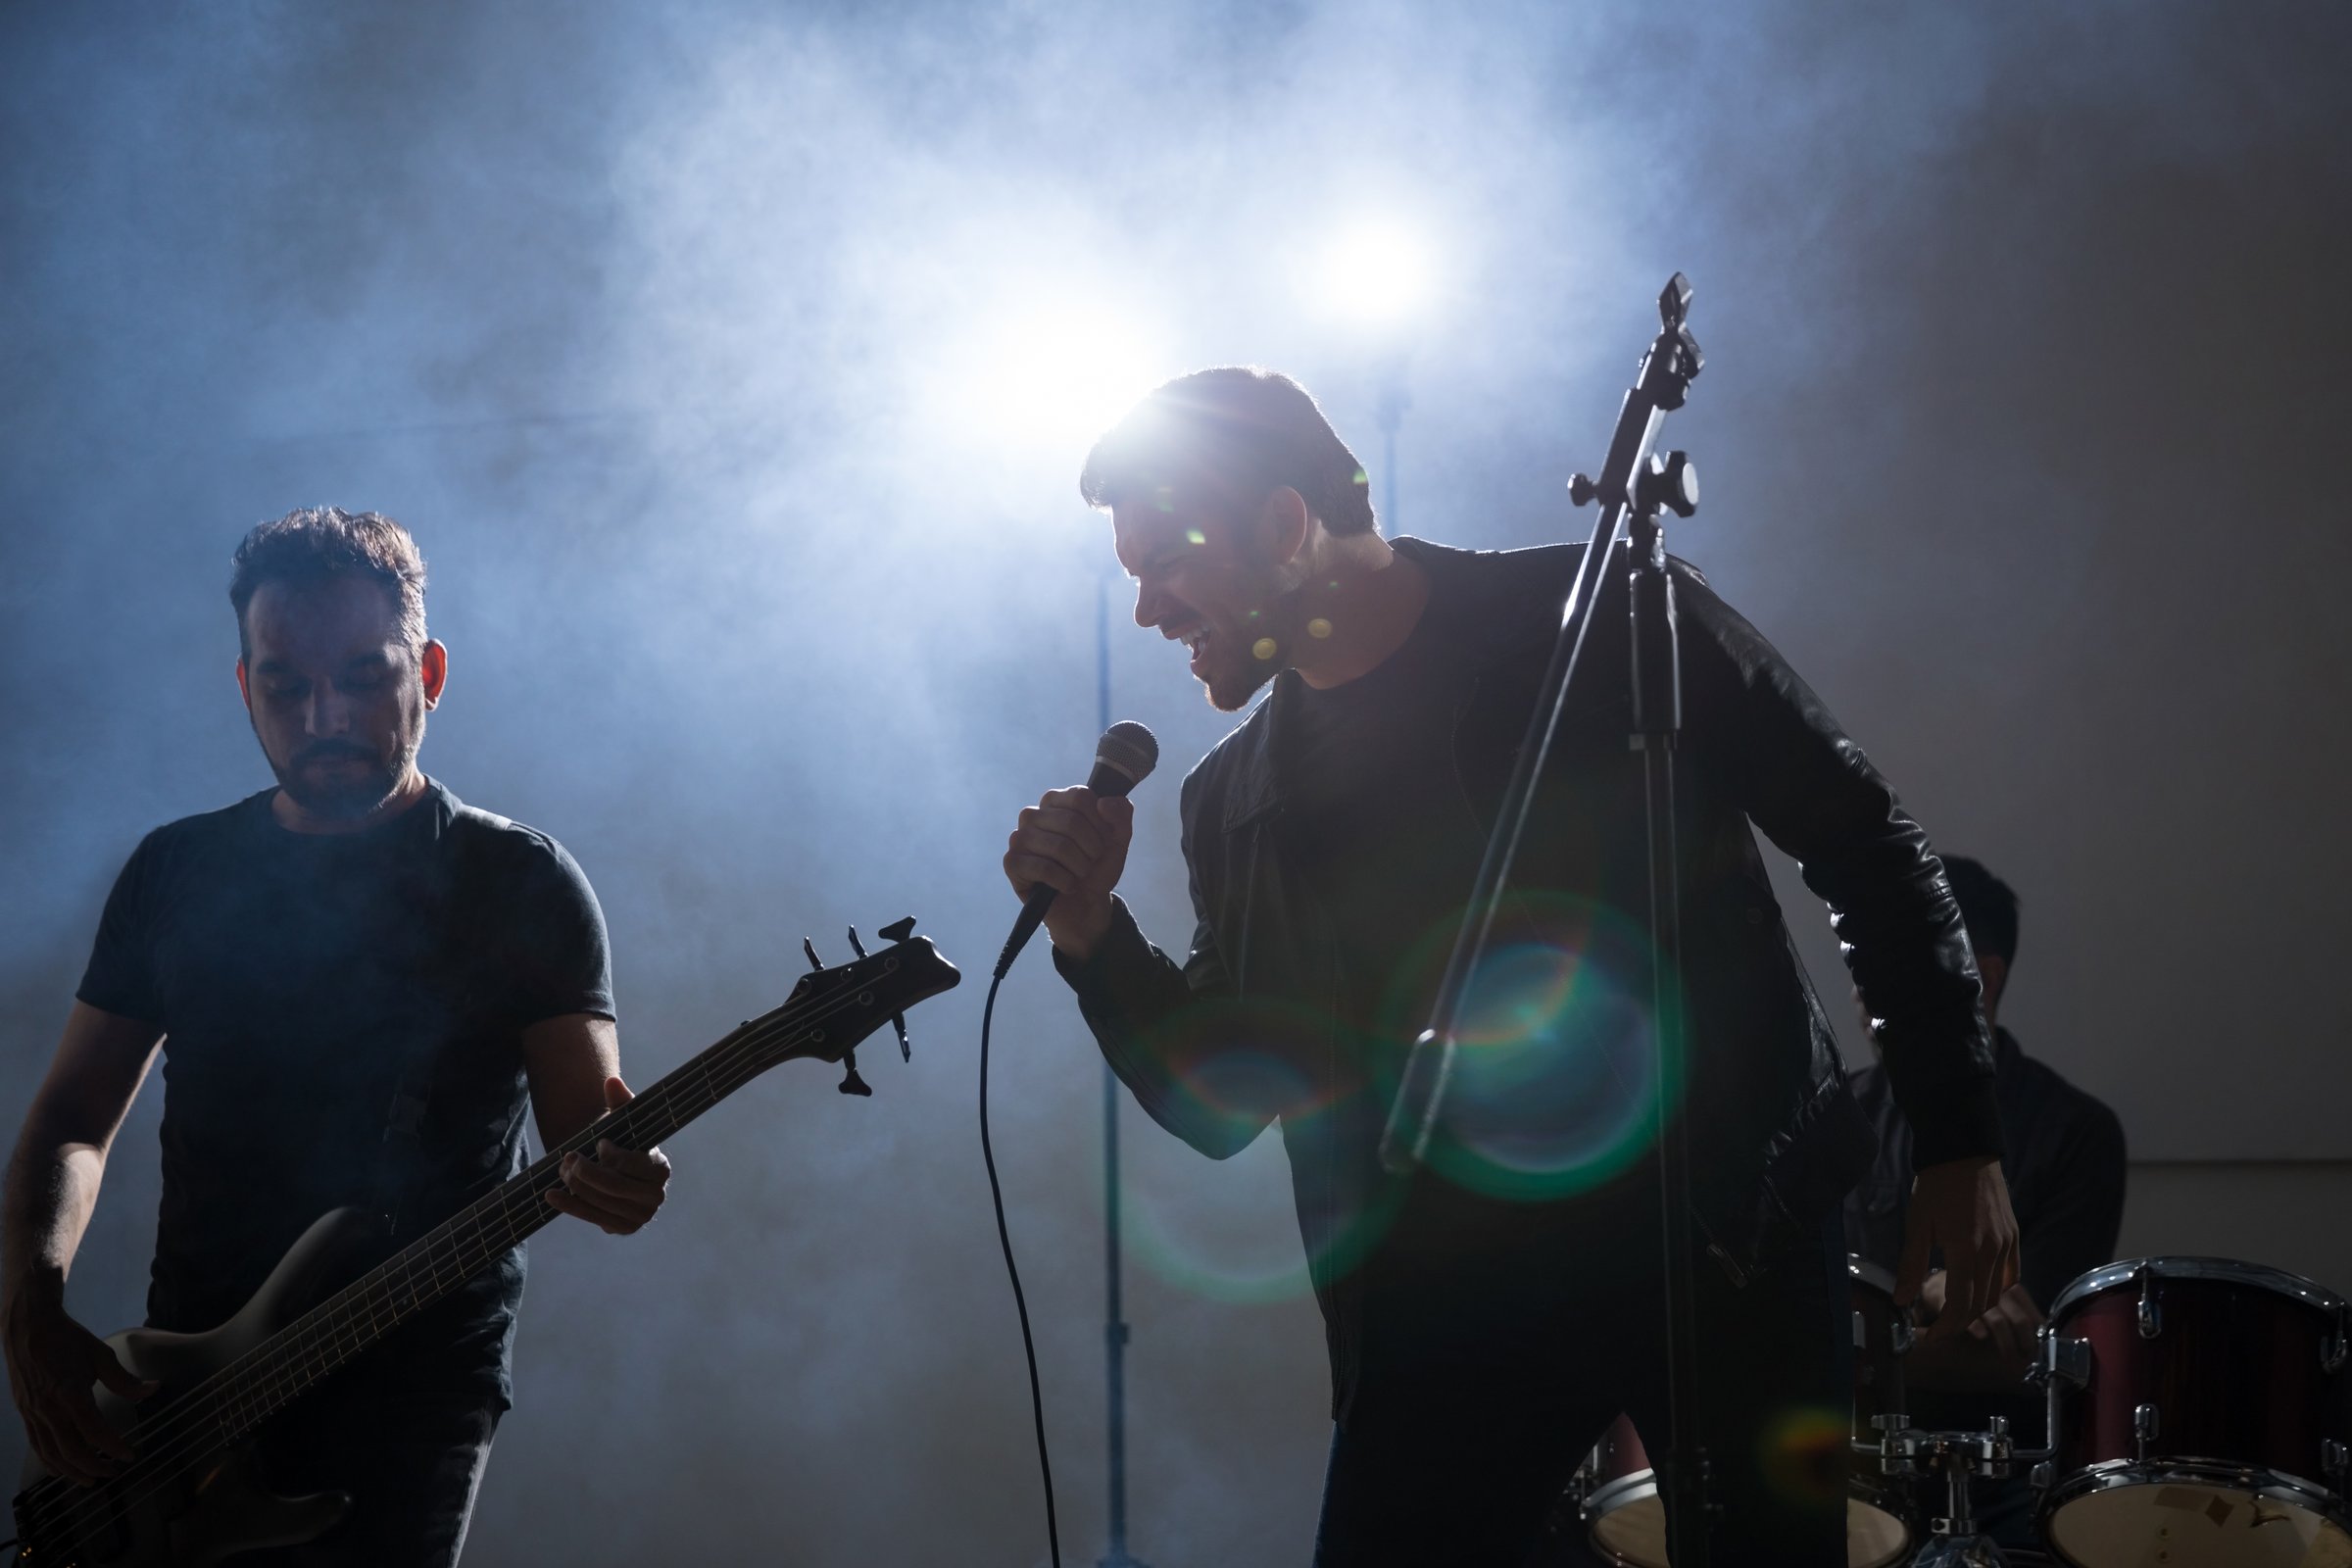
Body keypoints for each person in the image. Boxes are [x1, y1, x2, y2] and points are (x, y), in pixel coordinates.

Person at [1001, 368, 2020, 1566]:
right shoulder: (1232, 798)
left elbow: (1866, 844)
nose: (1145, 612)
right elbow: (1223, 1102)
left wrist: (1958, 1135)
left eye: (1163, 566)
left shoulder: (1608, 618)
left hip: (1722, 1236)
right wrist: (1093, 934)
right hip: (1444, 1300)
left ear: (1283, 524)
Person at [1, 508, 670, 1566]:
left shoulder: (520, 882)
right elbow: (74, 1119)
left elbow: (589, 1136)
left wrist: (620, 1178)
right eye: (286, 686)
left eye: (364, 677)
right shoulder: (176, 871)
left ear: (429, 673)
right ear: (245, 687)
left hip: (413, 1392)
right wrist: (30, 1307)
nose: (325, 717)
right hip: (183, 1392)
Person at [1844, 855, 2127, 1552]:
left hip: (2014, 1475)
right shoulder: (1834, 1120)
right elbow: (1806, 1324)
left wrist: (1878, 1335)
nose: (1863, 990)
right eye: (1862, 966)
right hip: (1855, 1465)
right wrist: (1937, 1295)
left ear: (1985, 978)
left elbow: (2025, 1355)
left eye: (1892, 967)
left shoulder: (2077, 1132)